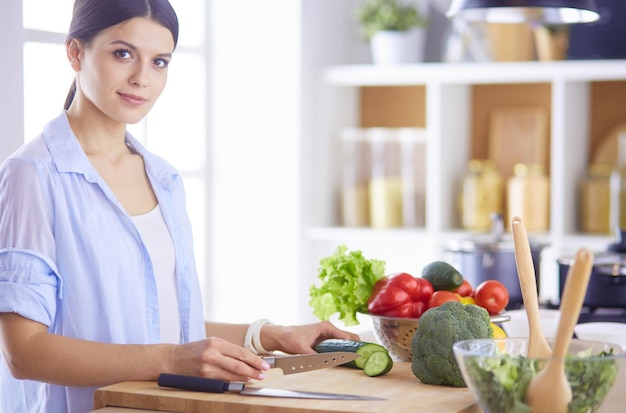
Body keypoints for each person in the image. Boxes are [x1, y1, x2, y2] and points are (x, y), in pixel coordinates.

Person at [0, 1, 359, 412]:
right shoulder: (33, 175)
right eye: (123, 54)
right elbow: (24, 353)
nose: (141, 78)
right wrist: (171, 359)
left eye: (159, 62)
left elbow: (157, 324)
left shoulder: (164, 179)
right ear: (75, 53)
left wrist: (269, 335)